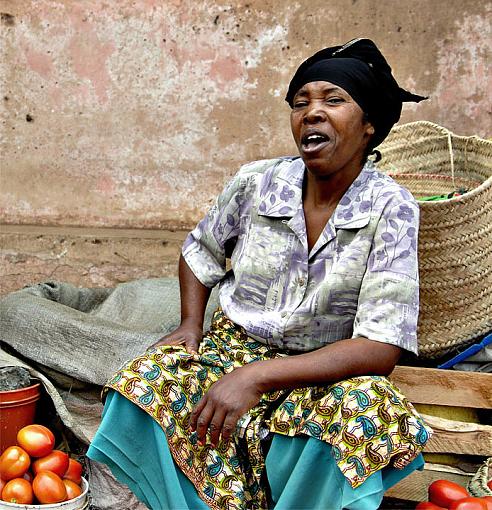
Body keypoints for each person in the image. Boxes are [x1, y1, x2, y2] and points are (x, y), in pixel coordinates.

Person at [87, 38, 431, 510]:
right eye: (300, 102)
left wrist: (258, 378)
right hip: (231, 350)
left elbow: (380, 346)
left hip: (320, 373)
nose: (311, 112)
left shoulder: (391, 208)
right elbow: (200, 250)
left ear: (369, 125)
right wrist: (190, 325)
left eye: (333, 100)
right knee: (145, 380)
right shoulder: (258, 181)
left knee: (368, 409)